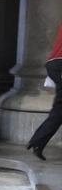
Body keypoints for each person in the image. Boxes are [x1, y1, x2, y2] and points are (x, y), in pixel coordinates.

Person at [26, 22, 62, 160]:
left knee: (59, 110)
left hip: (55, 64)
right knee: (59, 110)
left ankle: (38, 142)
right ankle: (37, 141)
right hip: (60, 64)